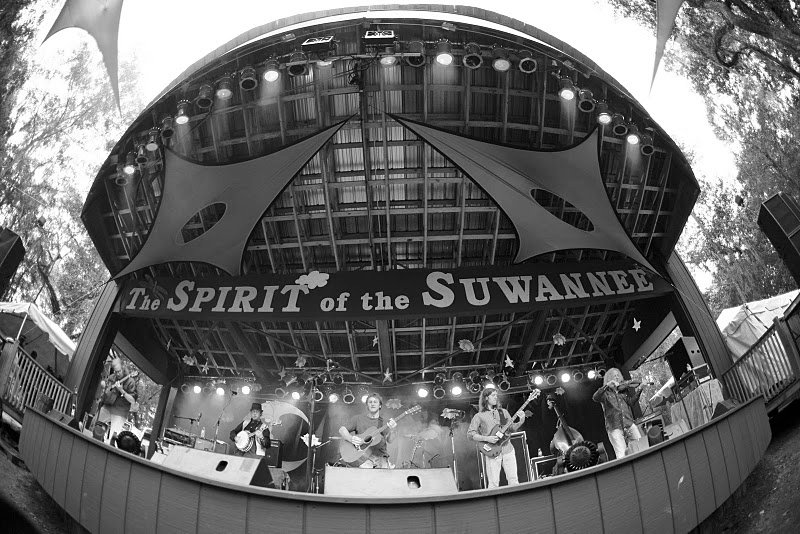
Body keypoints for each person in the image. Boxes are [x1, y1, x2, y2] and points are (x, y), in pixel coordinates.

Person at [467, 388, 526, 489]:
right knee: (493, 484)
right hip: (492, 451)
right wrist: (487, 438)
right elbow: (470, 434)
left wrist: (521, 420)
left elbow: (511, 429)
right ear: (486, 398)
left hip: (508, 449)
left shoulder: (503, 412)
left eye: (496, 395)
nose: (496, 397)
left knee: (514, 480)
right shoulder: (479, 416)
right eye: (493, 395)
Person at [592, 367, 643, 459]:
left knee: (640, 447)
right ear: (609, 378)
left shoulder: (622, 391)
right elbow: (595, 397)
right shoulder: (605, 393)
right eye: (614, 376)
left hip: (628, 423)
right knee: (622, 454)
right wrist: (606, 385)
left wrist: (640, 389)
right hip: (615, 427)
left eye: (617, 375)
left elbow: (631, 402)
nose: (617, 377)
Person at [338, 392, 397, 468]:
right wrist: (351, 438)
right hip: (363, 458)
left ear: (380, 405)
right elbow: (342, 429)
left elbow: (390, 440)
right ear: (367, 405)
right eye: (370, 402)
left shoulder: (385, 422)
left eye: (375, 402)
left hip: (381, 457)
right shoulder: (358, 418)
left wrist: (393, 429)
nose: (372, 404)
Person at [96, 356, 142, 443]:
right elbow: (106, 388)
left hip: (120, 412)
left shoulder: (130, 381)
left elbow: (132, 400)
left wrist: (121, 390)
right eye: (116, 371)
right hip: (107, 406)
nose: (117, 373)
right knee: (95, 425)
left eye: (119, 371)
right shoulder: (112, 377)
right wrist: (104, 385)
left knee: (112, 438)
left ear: (123, 368)